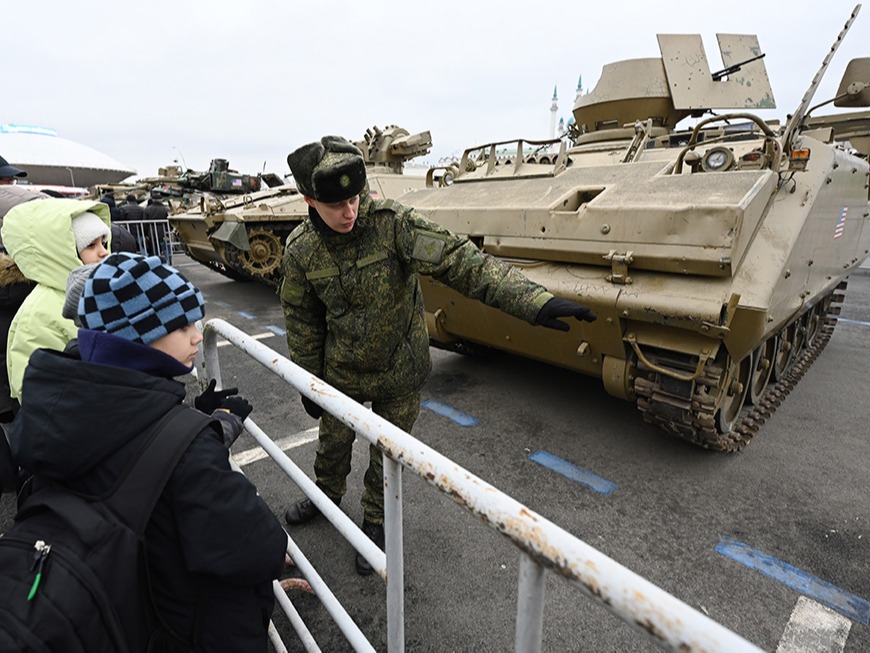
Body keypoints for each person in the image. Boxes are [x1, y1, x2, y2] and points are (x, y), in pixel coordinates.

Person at [280, 135, 596, 575]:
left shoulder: (394, 227)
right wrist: (308, 381)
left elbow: (461, 262)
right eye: (336, 205)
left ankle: (375, 522)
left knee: (387, 458)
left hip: (399, 370)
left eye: (354, 198)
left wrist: (535, 302)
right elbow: (302, 320)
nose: (350, 212)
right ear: (310, 201)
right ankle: (325, 496)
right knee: (331, 446)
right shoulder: (301, 250)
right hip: (341, 374)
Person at [7, 252, 287, 651]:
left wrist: (196, 422)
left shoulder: (52, 409)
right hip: (179, 628)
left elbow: (127, 458)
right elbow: (257, 547)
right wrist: (194, 432)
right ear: (136, 337)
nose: (197, 335)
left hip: (106, 611)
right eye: (181, 325)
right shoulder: (187, 449)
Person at [1, 199, 111, 404]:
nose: (104, 251)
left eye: (103, 243)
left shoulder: (101, 289)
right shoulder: (38, 314)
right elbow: (39, 393)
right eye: (90, 245)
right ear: (62, 253)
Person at [144, 192, 171, 261]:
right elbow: (169, 221)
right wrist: (169, 230)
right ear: (161, 200)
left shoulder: (147, 209)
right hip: (163, 231)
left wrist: (145, 233)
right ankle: (169, 262)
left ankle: (155, 262)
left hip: (151, 231)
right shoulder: (165, 209)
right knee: (166, 248)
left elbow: (145, 222)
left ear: (152, 200)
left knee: (154, 248)